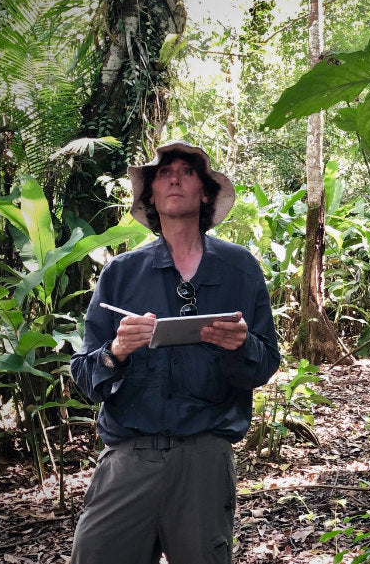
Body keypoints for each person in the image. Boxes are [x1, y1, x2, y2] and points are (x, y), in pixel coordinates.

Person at [69, 140, 280, 564]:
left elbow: (265, 363)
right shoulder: (121, 274)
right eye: (164, 173)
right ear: (149, 196)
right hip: (129, 456)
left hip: (204, 456)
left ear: (205, 193)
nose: (174, 178)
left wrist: (239, 347)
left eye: (186, 171)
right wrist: (117, 350)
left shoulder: (239, 268)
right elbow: (85, 375)